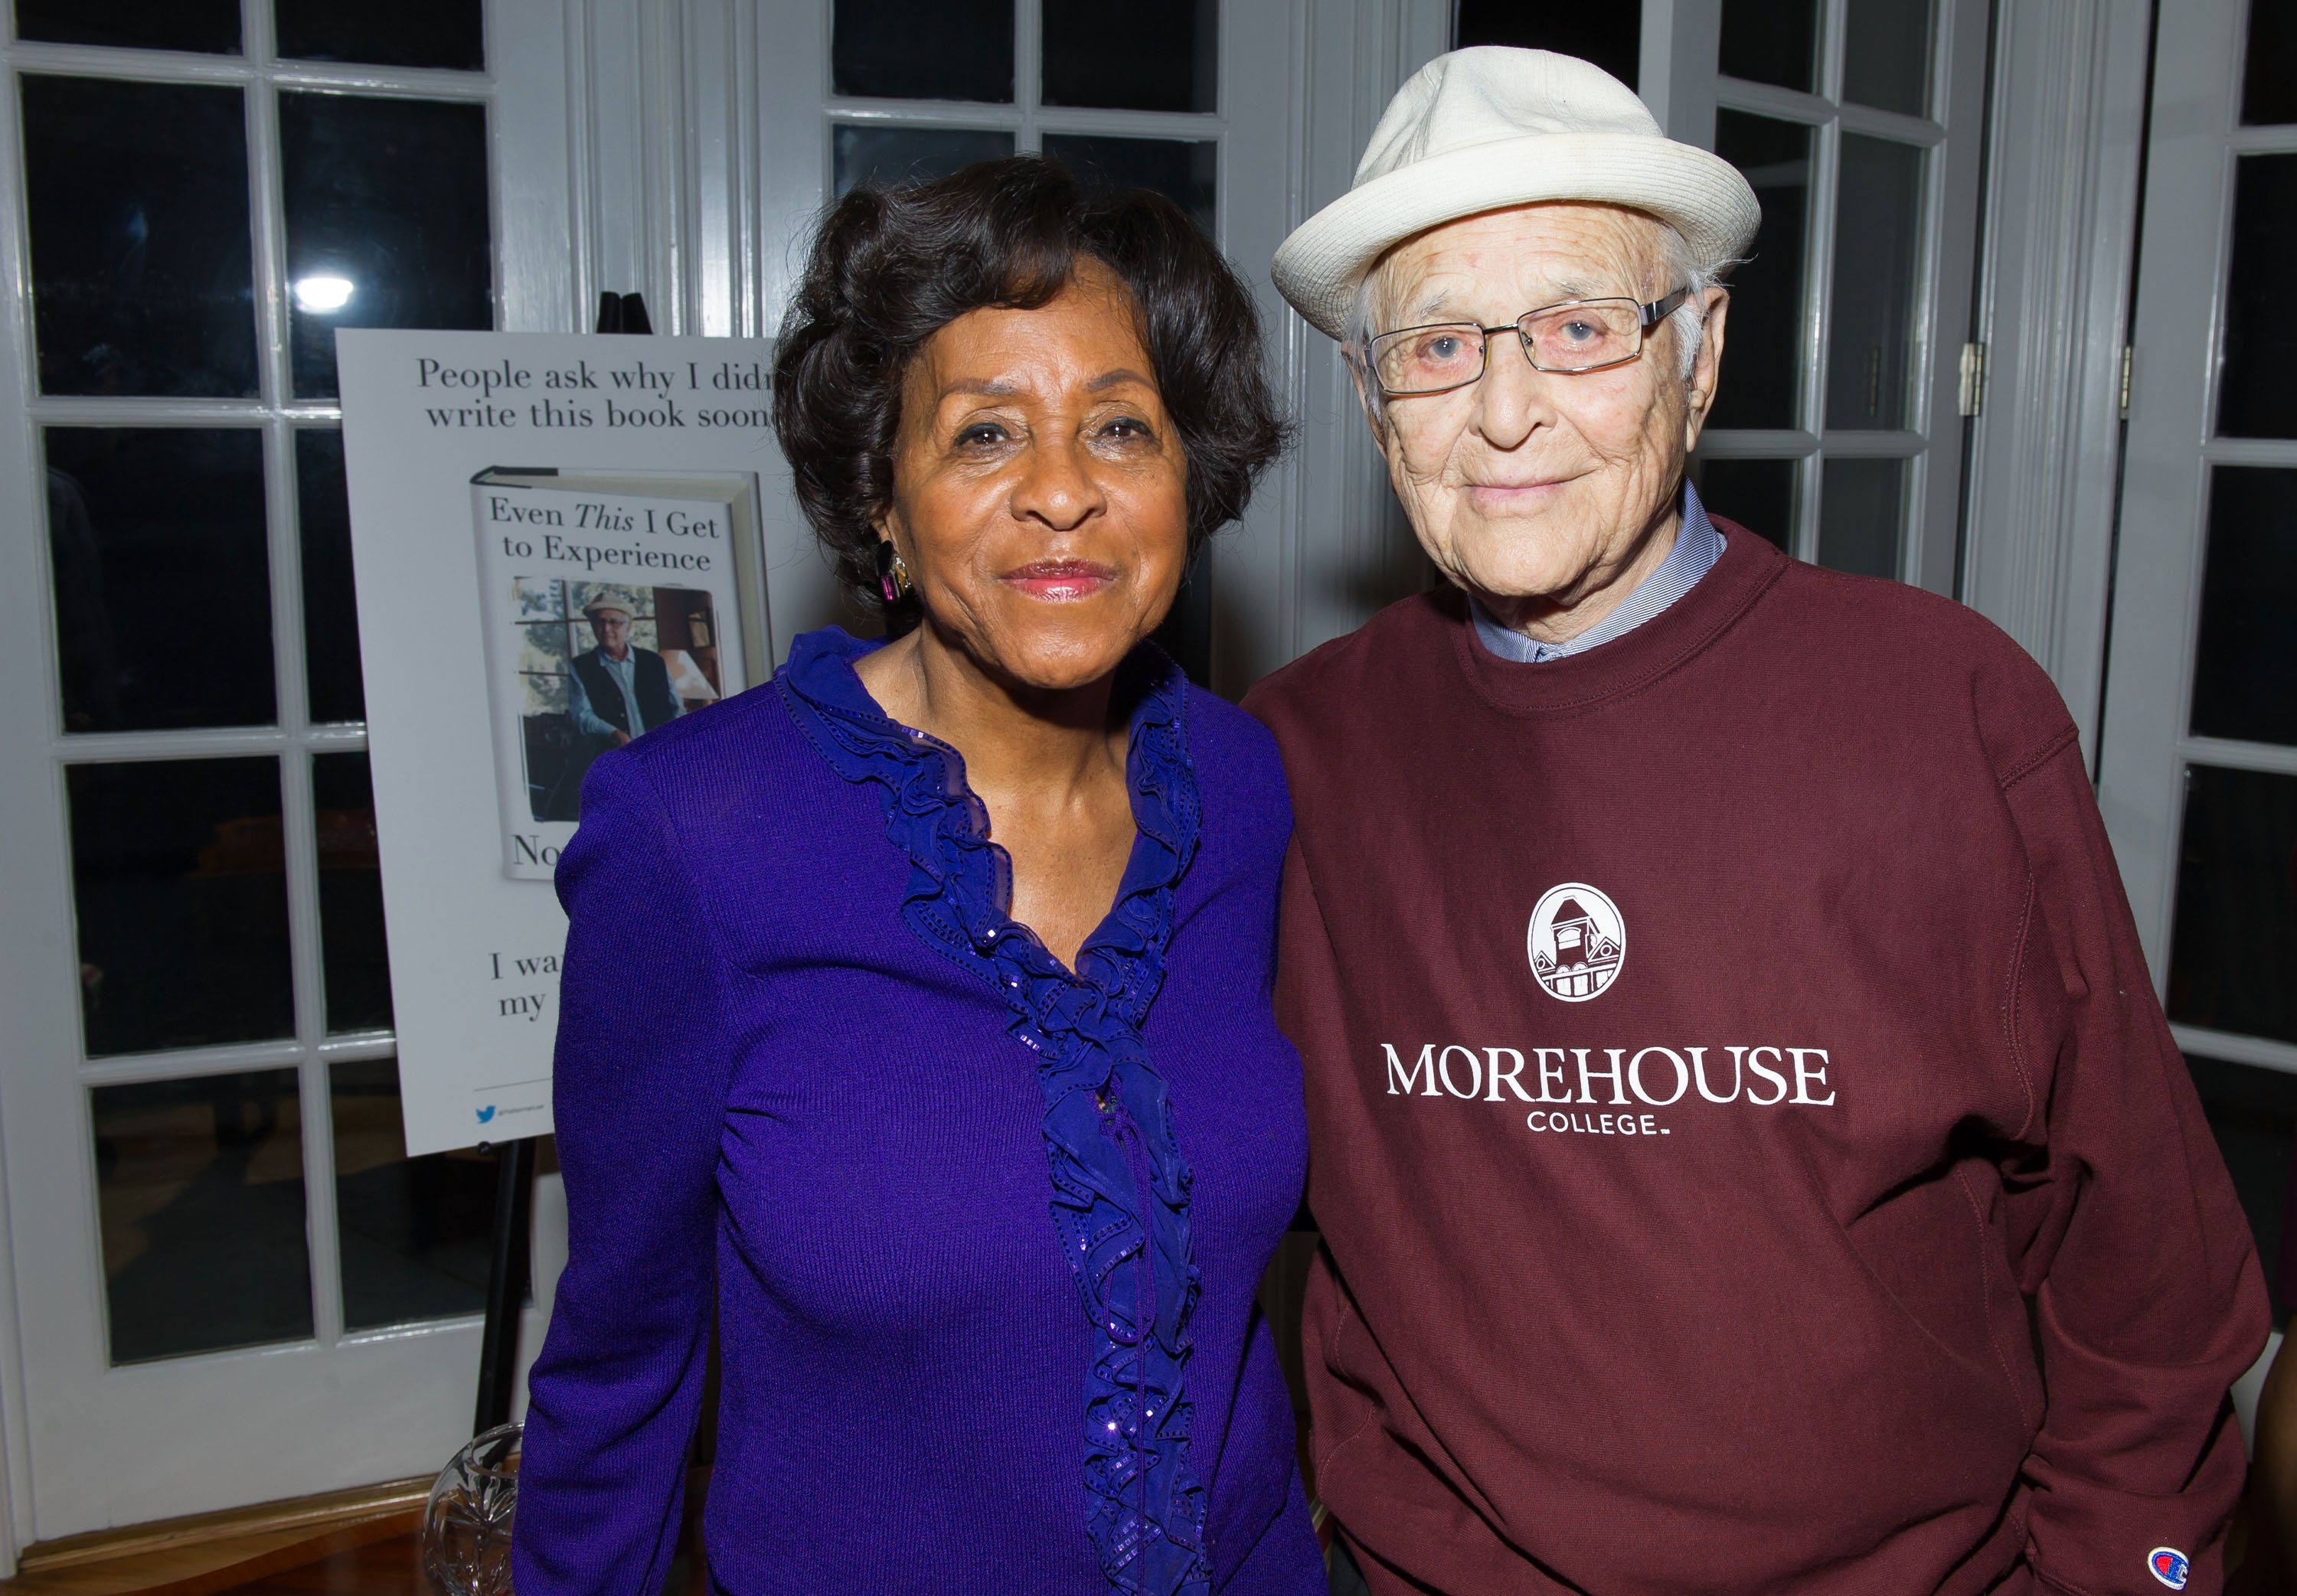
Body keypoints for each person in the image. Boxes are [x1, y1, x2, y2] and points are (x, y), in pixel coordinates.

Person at [1242, 46, 2269, 1595]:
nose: (1505, 412)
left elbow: (2153, 1272)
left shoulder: (1949, 715)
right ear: (1373, 392)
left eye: (1580, 327)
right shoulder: (1295, 755)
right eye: (1439, 344)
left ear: (1701, 352)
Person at [514, 159, 1326, 1596]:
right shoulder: (693, 835)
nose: (1064, 494)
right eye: (985, 435)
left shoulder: (1247, 790)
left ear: (1185, 482)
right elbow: (619, 1366)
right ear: (882, 500)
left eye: (1121, 429)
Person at [565, 588, 681, 747]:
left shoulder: (654, 661)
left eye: (614, 622)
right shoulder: (580, 666)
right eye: (600, 622)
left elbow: (677, 709)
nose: (606, 629)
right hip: (614, 756)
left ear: (628, 627)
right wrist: (614, 733)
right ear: (592, 626)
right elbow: (582, 716)